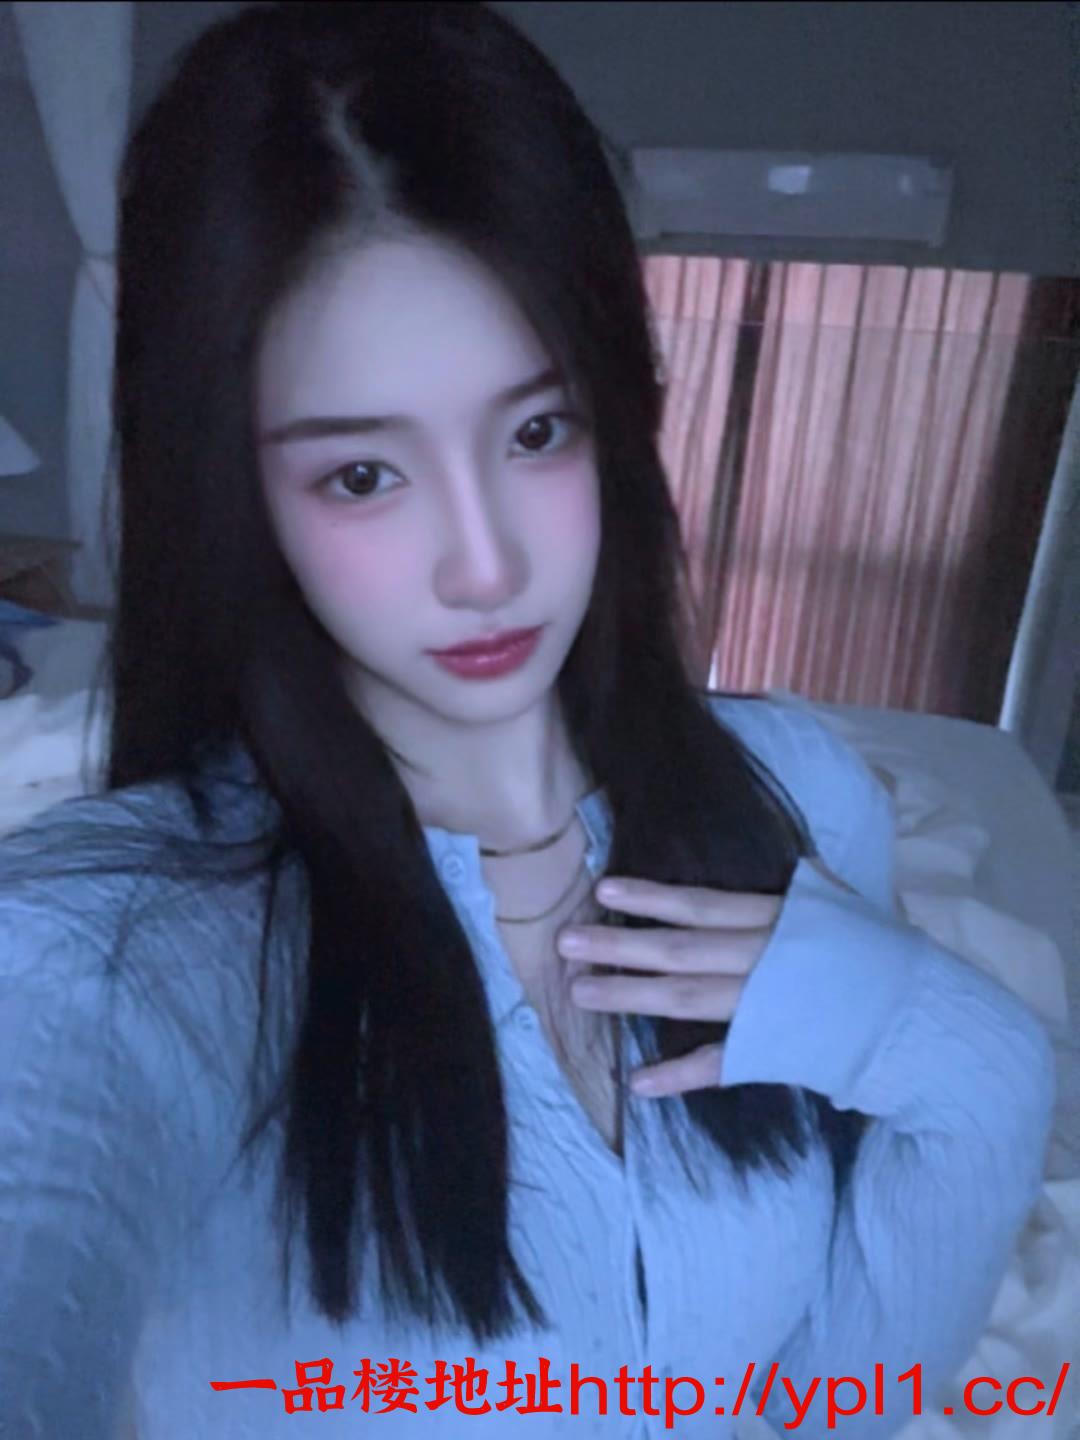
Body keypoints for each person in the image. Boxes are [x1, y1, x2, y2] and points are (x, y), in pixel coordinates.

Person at [0, 4, 1055, 1437]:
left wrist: (966, 1052)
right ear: (236, 495)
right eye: (363, 476)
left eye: (536, 431)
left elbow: (846, 1398)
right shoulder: (125, 941)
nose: (487, 566)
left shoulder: (797, 793)